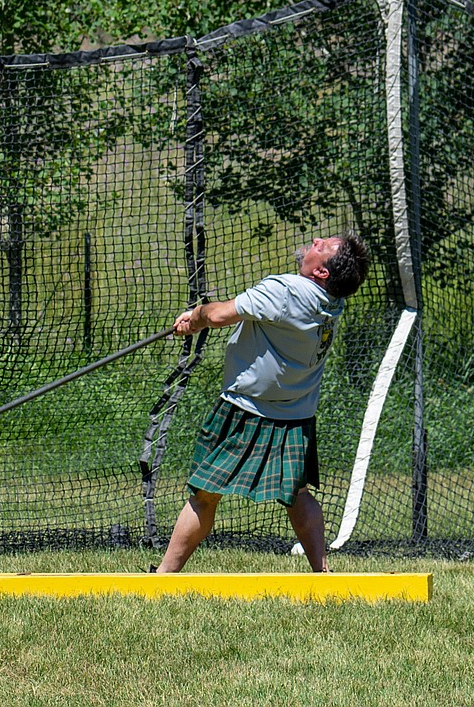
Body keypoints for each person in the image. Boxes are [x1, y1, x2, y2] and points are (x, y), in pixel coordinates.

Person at [153, 233, 370, 573]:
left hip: (245, 409)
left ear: (322, 272)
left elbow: (220, 316)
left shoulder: (285, 291)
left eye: (322, 245)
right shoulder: (332, 303)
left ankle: (164, 575)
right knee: (297, 494)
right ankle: (322, 573)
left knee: (204, 493)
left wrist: (194, 318)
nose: (314, 240)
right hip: (296, 413)